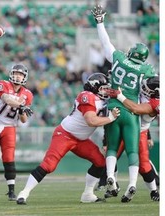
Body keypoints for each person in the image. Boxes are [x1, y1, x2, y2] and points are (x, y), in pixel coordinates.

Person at [16, 73, 120, 205]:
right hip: (65, 135)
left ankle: (88, 194)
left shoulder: (103, 100)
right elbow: (91, 120)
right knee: (49, 165)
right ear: (94, 87)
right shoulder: (86, 96)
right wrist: (110, 118)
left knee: (100, 161)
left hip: (81, 140)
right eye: (103, 88)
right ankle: (24, 193)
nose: (106, 91)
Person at [91, 5, 156, 202]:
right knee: (133, 151)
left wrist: (100, 22)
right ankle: (133, 184)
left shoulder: (118, 58)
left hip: (113, 108)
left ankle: (110, 175)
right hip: (131, 111)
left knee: (111, 147)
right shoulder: (146, 70)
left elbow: (105, 42)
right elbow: (153, 87)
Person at [105, 76, 160, 201]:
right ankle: (113, 185)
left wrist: (119, 96)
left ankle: (153, 191)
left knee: (144, 166)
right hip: (128, 127)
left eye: (146, 87)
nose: (143, 87)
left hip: (139, 132)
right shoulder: (141, 92)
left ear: (154, 91)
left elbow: (135, 109)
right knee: (111, 156)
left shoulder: (155, 103)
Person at [0, 64, 34, 201]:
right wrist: (21, 105)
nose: (17, 76)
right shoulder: (3, 84)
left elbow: (23, 120)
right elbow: (6, 99)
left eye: (20, 74)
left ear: (25, 77)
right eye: (16, 73)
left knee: (8, 158)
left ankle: (11, 190)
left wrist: (22, 111)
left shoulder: (27, 94)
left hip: (9, 127)